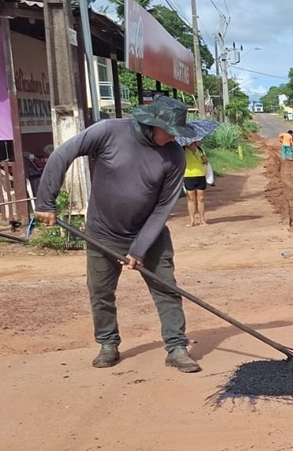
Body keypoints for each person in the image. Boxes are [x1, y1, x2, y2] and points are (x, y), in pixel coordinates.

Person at [33, 96, 200, 373]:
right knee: (100, 292)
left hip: (151, 235)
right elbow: (62, 154)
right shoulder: (108, 131)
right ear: (150, 124)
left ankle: (176, 347)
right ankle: (108, 343)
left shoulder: (174, 156)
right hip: (102, 233)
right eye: (169, 131)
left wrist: (139, 249)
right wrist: (45, 202)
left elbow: (162, 209)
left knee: (167, 289)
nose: (173, 137)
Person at [180, 120, 219, 227]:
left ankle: (202, 219)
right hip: (188, 176)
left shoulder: (200, 150)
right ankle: (192, 220)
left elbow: (205, 162)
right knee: (191, 199)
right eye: (198, 139)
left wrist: (205, 160)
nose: (200, 141)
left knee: (201, 199)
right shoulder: (182, 150)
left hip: (201, 175)